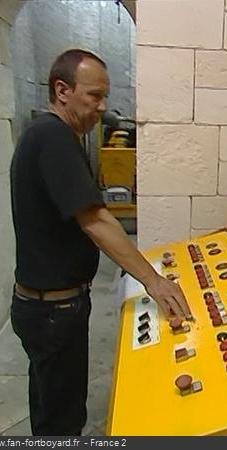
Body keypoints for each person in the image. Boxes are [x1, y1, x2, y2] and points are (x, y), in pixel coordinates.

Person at [9, 49, 193, 436]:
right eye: (94, 95)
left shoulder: (48, 136)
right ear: (63, 90)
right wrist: (153, 280)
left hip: (42, 307)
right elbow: (95, 219)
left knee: (48, 404)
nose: (103, 107)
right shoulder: (52, 136)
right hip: (54, 312)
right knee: (62, 420)